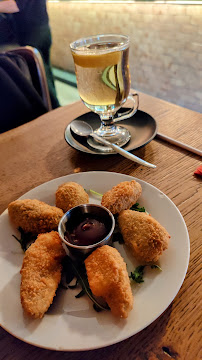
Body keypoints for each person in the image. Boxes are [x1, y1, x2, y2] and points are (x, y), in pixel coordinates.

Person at [0, 0, 59, 109]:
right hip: (27, 32)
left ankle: (53, 113)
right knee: (41, 77)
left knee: (41, 78)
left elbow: (16, 5)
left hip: (34, 33)